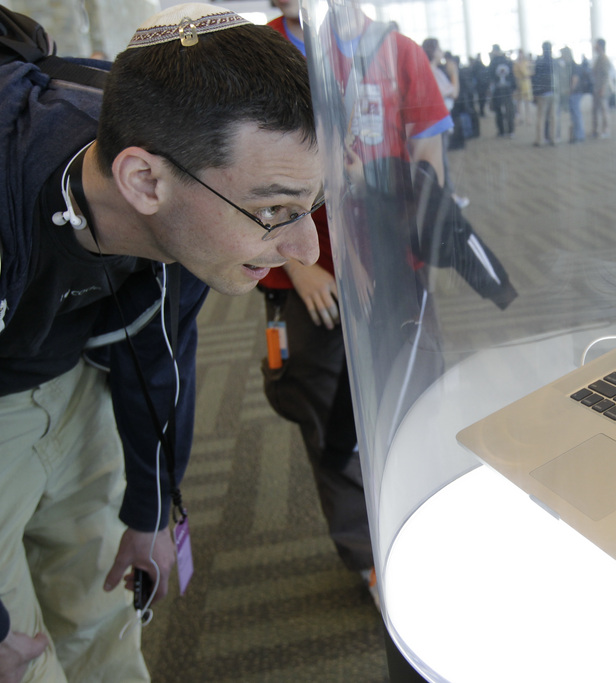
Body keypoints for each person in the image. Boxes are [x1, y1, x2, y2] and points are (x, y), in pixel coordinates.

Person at [0, 4, 320, 681]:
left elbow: (160, 346)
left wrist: (149, 508)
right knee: (20, 657)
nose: (303, 248)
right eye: (273, 212)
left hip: (70, 368)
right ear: (144, 181)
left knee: (101, 612)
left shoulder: (186, 226)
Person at [263, 0, 376, 604]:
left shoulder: (377, 48)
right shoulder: (262, 54)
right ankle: (366, 558)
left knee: (391, 407)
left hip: (379, 270)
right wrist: (295, 265)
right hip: (310, 281)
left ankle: (395, 529)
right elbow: (238, 180)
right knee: (327, 417)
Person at [423, 38, 470, 209]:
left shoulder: (432, 71)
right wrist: (454, 73)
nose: (442, 51)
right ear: (433, 51)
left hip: (437, 122)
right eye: (439, 48)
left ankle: (448, 197)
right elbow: (453, 93)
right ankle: (450, 198)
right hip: (437, 123)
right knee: (441, 162)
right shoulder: (431, 72)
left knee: (440, 162)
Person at [489, 44, 517, 138]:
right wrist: (514, 88)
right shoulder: (508, 61)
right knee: (509, 110)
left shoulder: (493, 63)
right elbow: (513, 76)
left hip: (498, 89)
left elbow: (490, 77)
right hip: (507, 89)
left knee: (499, 110)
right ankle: (510, 131)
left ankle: (501, 131)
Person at [533, 41, 556, 146]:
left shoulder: (539, 62)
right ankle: (553, 138)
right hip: (553, 92)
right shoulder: (554, 62)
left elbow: (535, 78)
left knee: (541, 117)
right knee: (553, 117)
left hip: (542, 93)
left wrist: (535, 92)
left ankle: (540, 140)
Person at [591, 38, 612, 139]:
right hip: (597, 88)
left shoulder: (604, 59)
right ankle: (596, 130)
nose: (595, 47)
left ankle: (606, 129)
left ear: (600, 46)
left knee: (604, 110)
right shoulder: (598, 58)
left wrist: (603, 88)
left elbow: (606, 76)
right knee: (596, 110)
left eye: (596, 45)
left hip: (602, 88)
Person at [513, 48, 534, 125]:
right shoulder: (516, 64)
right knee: (519, 103)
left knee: (527, 103)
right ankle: (520, 118)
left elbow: (531, 71)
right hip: (519, 84)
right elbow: (515, 74)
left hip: (526, 84)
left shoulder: (526, 63)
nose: (520, 55)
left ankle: (528, 118)